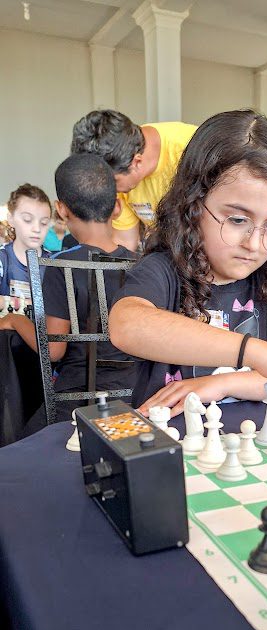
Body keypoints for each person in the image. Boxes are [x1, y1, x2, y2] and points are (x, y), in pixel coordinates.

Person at [108, 110, 267, 416]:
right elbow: (127, 325)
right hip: (175, 450)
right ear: (192, 205)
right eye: (237, 219)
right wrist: (256, 354)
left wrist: (224, 383)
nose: (255, 245)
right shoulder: (163, 271)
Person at [0, 154, 138, 430]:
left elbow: (53, 351)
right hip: (133, 398)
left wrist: (16, 320)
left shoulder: (59, 265)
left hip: (74, 402)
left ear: (60, 210)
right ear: (118, 208)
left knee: (17, 450)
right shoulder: (140, 266)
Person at [71, 110, 197, 252]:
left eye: (111, 182)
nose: (107, 189)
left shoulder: (192, 150)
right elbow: (125, 241)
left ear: (136, 162)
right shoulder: (114, 169)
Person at [0, 184, 51, 307]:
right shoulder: (2, 259)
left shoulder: (53, 263)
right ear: (11, 219)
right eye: (27, 220)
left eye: (44, 223)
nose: (37, 229)